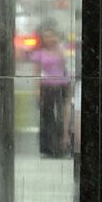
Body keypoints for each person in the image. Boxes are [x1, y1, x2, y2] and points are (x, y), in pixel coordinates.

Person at [29, 19, 72, 158]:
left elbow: (67, 66)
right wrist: (37, 90)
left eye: (52, 35)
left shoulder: (62, 49)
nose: (50, 39)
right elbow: (36, 72)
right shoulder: (39, 53)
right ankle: (48, 148)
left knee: (62, 116)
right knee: (47, 118)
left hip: (62, 85)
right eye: (46, 36)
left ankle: (63, 146)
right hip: (46, 86)